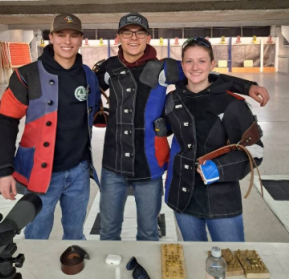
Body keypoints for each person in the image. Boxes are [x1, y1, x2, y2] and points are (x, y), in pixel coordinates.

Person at [94, 12, 269, 241]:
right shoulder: (108, 69)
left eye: (140, 33)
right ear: (118, 37)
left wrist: (246, 86)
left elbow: (204, 73)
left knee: (148, 233)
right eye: (127, 33)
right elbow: (84, 89)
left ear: (148, 37)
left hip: (149, 165)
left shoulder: (164, 69)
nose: (133, 38)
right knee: (108, 231)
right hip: (113, 163)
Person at [0, 13, 100, 240]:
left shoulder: (88, 76)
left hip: (79, 171)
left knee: (75, 234)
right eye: (61, 35)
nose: (67, 41)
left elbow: (92, 115)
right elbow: (6, 121)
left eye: (73, 36)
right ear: (51, 37)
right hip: (41, 173)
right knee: (36, 235)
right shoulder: (26, 75)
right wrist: (4, 171)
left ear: (81, 39)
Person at [160, 37, 264, 241]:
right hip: (183, 197)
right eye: (189, 61)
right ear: (182, 65)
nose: (195, 67)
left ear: (212, 64)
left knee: (230, 262)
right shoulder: (173, 99)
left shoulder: (232, 104)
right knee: (195, 260)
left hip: (221, 201)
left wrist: (220, 168)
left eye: (202, 61)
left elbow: (256, 151)